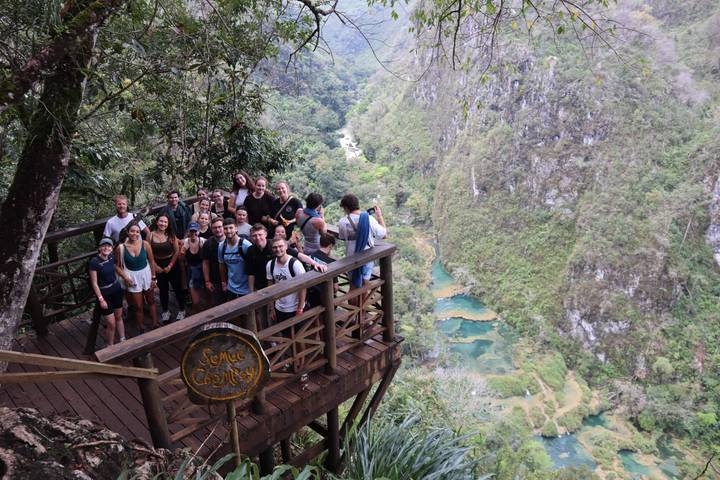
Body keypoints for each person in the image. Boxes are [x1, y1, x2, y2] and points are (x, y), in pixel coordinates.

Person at [247, 223, 326, 292]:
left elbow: (298, 255)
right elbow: (251, 272)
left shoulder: (275, 245)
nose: (257, 238)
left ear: (265, 234)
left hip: (278, 283)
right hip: (260, 285)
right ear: (251, 237)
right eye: (254, 235)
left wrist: (315, 263)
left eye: (260, 235)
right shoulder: (251, 250)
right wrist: (251, 291)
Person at [115, 223, 159, 332]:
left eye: (137, 232)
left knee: (151, 300)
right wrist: (125, 277)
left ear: (140, 233)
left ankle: (155, 323)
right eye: (132, 231)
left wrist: (154, 278)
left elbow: (152, 261)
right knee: (138, 305)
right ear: (128, 232)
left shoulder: (145, 244)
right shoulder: (121, 248)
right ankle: (141, 327)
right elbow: (117, 266)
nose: (135, 234)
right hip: (132, 277)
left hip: (146, 274)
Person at [337, 193, 387, 288]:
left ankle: (351, 303)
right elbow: (384, 235)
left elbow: (342, 237)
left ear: (346, 208)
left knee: (352, 286)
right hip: (366, 257)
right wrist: (379, 216)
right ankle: (363, 301)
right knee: (365, 285)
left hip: (351, 258)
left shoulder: (342, 222)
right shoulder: (369, 219)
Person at [148, 214, 186, 324]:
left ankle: (182, 309)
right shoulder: (150, 236)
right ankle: (165, 311)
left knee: (177, 288)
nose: (163, 224)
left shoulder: (170, 235)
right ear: (157, 222)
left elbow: (176, 251)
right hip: (158, 265)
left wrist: (170, 265)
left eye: (165, 222)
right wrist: (155, 266)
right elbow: (149, 253)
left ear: (168, 224)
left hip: (172, 264)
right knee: (162, 289)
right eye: (161, 221)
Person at [88, 238, 125, 345]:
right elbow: (94, 283)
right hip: (104, 294)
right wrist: (100, 299)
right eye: (104, 246)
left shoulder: (112, 257)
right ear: (99, 248)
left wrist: (126, 278)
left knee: (118, 317)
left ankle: (123, 339)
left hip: (116, 290)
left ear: (112, 248)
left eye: (109, 246)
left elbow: (115, 269)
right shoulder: (94, 262)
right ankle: (110, 345)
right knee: (111, 323)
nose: (106, 248)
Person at [266, 237, 306, 323]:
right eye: (275, 247)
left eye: (281, 246)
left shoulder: (295, 264)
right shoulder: (270, 264)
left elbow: (303, 287)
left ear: (286, 247)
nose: (278, 249)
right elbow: (270, 286)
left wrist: (300, 308)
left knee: (298, 333)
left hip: (294, 307)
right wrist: (271, 307)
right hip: (279, 307)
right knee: (283, 333)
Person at [218, 218, 253, 300]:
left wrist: (252, 288)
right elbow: (221, 264)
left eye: (231, 228)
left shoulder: (246, 245)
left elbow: (253, 267)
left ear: (236, 228)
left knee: (249, 312)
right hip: (231, 287)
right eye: (226, 228)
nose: (228, 231)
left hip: (246, 288)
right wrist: (223, 282)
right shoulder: (221, 246)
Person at [181, 222, 206, 313]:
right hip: (191, 272)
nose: (193, 234)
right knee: (195, 301)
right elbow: (182, 261)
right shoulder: (185, 242)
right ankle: (198, 314)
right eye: (191, 231)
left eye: (195, 231)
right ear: (188, 232)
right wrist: (183, 251)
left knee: (207, 295)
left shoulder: (203, 241)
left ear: (198, 232)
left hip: (203, 270)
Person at [202, 217, 226, 306]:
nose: (218, 229)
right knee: (219, 304)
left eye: (220, 227)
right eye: (215, 228)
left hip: (232, 278)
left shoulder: (230, 240)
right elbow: (205, 262)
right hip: (215, 279)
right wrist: (207, 281)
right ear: (211, 229)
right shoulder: (208, 243)